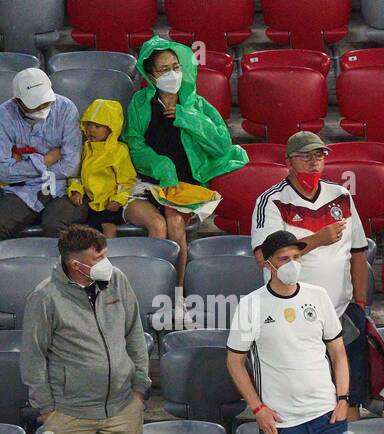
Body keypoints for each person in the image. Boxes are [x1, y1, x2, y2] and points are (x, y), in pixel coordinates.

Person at [20, 225, 149, 434]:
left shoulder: (117, 281)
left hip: (123, 408)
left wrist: (139, 388)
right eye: (98, 257)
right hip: (68, 415)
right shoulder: (45, 298)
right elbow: (33, 357)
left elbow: (135, 334)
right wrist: (48, 410)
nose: (106, 263)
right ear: (75, 264)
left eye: (105, 254)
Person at [225, 230, 352, 434]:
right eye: (284, 259)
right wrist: (258, 408)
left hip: (328, 417)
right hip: (281, 424)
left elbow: (338, 351)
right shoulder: (251, 305)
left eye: (296, 256)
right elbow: (234, 362)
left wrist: (343, 399)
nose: (292, 263)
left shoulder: (318, 296)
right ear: (267, 264)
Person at [251, 132, 370, 421]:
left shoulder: (340, 195)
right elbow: (264, 258)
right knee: (304, 396)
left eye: (319, 155)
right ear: (289, 161)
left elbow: (358, 253)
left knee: (349, 395)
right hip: (292, 315)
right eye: (305, 155)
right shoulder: (272, 201)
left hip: (342, 310)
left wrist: (360, 304)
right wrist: (317, 239)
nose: (314, 161)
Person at [123, 37, 248, 285]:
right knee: (157, 225)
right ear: (150, 74)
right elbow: (134, 144)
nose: (172, 74)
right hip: (148, 182)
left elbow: (221, 144)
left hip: (186, 184)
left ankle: (178, 291)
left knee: (174, 220)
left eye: (176, 67)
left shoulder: (196, 105)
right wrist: (161, 166)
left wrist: (186, 117)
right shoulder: (140, 103)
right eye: (164, 69)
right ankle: (155, 288)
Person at [0, 68, 86, 238]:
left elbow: (70, 167)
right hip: (22, 190)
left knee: (55, 225)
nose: (41, 108)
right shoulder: (4, 115)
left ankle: (59, 265)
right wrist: (46, 160)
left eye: (45, 103)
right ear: (17, 101)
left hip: (64, 187)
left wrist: (22, 166)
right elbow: (3, 172)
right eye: (35, 105)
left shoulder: (66, 108)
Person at [66, 99, 135, 239]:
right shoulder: (85, 148)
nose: (91, 130)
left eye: (98, 126)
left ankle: (108, 259)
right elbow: (75, 174)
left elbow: (127, 181)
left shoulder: (119, 151)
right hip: (88, 202)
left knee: (108, 229)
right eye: (89, 125)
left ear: (111, 128)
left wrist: (118, 199)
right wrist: (75, 191)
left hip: (110, 204)